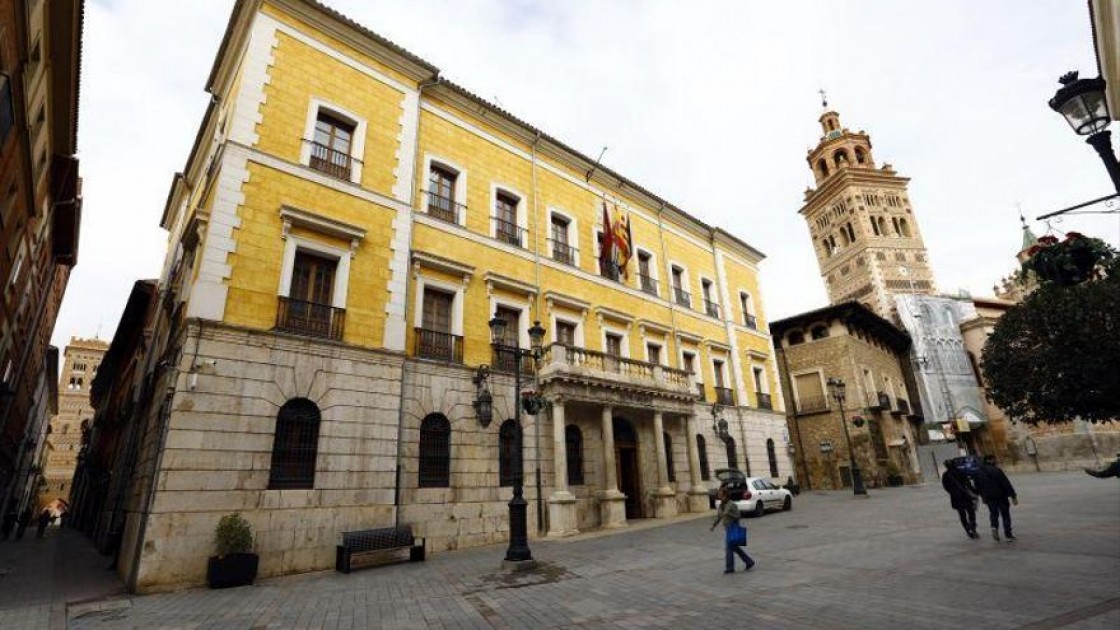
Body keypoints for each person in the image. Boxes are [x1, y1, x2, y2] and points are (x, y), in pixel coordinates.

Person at [709, 486, 754, 574]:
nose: (719, 496)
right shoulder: (722, 505)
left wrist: (728, 513)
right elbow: (719, 516)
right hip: (727, 528)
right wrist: (714, 525)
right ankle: (749, 562)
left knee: (729, 548)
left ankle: (730, 568)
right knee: (734, 548)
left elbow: (738, 516)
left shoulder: (732, 504)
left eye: (720, 494)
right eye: (718, 494)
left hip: (733, 527)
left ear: (725, 495)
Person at [975, 454, 1018, 542]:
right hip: (1001, 496)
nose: (996, 461)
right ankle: (1008, 535)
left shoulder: (978, 472)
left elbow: (977, 487)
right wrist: (1013, 496)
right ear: (990, 460)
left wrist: (982, 496)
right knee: (1005, 514)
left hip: (989, 498)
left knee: (993, 513)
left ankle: (994, 527)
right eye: (994, 459)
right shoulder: (996, 470)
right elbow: (1006, 483)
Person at [941, 459, 979, 539]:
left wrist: (953, 492)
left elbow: (946, 487)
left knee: (962, 515)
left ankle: (968, 530)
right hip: (966, 496)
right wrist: (974, 492)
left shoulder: (945, 475)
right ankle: (973, 528)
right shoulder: (961, 472)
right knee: (971, 512)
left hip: (956, 498)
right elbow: (968, 483)